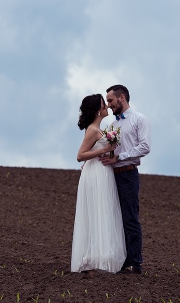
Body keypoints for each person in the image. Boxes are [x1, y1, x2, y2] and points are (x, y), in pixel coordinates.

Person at [71, 94, 126, 273]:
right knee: (98, 210)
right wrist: (105, 149)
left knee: (104, 210)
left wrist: (109, 153)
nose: (107, 108)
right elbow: (80, 155)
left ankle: (102, 256)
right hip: (95, 174)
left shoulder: (100, 129)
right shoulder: (93, 130)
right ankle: (96, 258)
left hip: (103, 172)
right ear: (97, 109)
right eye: (104, 104)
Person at [100, 85, 151, 274]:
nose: (109, 104)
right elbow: (107, 150)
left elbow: (145, 147)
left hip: (128, 174)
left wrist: (119, 158)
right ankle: (121, 260)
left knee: (130, 219)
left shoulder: (139, 119)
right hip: (112, 176)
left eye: (111, 100)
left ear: (122, 98)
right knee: (115, 219)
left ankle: (134, 263)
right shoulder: (112, 126)